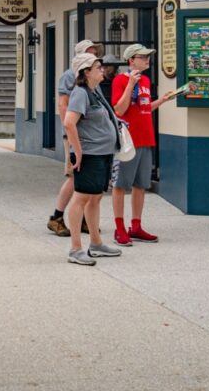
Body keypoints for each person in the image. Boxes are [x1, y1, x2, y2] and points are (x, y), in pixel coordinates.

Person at [110, 44, 179, 246]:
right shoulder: (120, 80)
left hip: (146, 138)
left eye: (148, 56)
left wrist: (163, 100)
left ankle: (136, 226)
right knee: (120, 185)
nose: (147, 59)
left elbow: (144, 107)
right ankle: (119, 228)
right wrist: (130, 84)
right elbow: (120, 110)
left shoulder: (146, 80)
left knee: (141, 185)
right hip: (127, 141)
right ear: (131, 60)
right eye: (143, 57)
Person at [62, 53, 123, 266]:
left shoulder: (94, 91)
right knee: (81, 198)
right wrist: (78, 152)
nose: (102, 70)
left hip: (103, 153)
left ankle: (96, 243)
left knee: (95, 197)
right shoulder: (80, 93)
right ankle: (75, 248)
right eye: (98, 67)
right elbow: (69, 123)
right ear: (86, 72)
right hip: (90, 154)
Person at [48, 40, 101, 237]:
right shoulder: (71, 76)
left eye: (95, 52)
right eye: (90, 52)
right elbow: (63, 105)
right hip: (78, 135)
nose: (94, 55)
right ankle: (57, 217)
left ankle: (86, 220)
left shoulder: (95, 78)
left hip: (91, 136)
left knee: (87, 180)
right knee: (74, 176)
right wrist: (70, 133)